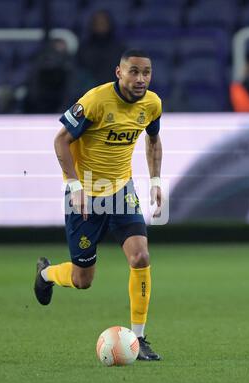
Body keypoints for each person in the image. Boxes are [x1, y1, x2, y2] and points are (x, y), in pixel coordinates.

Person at [34, 49, 163, 361]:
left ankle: (140, 337)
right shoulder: (95, 101)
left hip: (121, 191)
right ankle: (47, 274)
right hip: (86, 197)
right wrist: (74, 185)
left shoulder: (152, 104)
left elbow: (153, 139)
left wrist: (156, 181)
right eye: (133, 71)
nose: (141, 79)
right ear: (118, 72)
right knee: (83, 280)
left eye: (146, 72)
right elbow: (60, 140)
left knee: (140, 256)